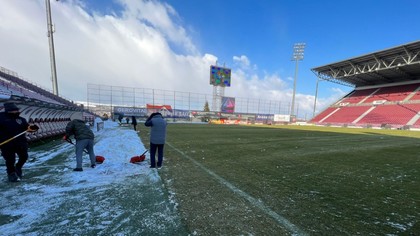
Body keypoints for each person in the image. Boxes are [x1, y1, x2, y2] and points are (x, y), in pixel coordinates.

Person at [0, 102, 39, 182]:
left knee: (24, 157)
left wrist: (33, 128)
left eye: (17, 110)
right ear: (9, 111)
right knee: (10, 160)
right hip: (6, 143)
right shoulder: (1, 118)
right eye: (15, 110)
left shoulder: (21, 119)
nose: (17, 111)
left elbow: (27, 128)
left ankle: (18, 167)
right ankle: (11, 174)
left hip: (21, 142)